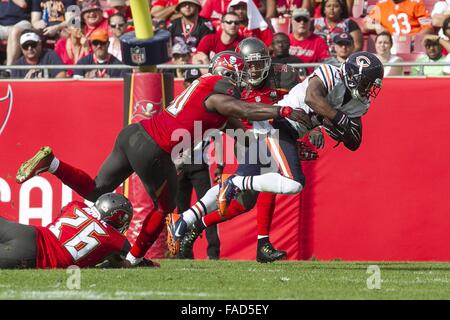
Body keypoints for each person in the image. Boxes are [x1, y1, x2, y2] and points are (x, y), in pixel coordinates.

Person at [15, 50, 311, 266]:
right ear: (228, 74)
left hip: (133, 133)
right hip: (156, 149)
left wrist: (287, 145)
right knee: (165, 206)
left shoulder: (209, 93)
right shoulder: (219, 89)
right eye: (237, 75)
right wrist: (281, 110)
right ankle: (133, 260)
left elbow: (246, 134)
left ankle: (52, 164)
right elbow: (244, 111)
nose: (242, 81)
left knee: (96, 189)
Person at [167, 51, 384, 261]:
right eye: (368, 83)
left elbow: (355, 141)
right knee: (294, 183)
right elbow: (312, 98)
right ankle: (236, 183)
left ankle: (184, 220)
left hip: (284, 131)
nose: (370, 90)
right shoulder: (330, 72)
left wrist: (344, 131)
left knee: (242, 200)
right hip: (278, 125)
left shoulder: (359, 102)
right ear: (354, 76)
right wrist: (339, 120)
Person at [0, 192, 142, 269]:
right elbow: (128, 262)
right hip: (34, 255)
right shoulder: (116, 241)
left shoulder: (76, 205)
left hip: (28, 232)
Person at [288, 8, 331, 72]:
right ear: (291, 21)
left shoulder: (319, 41)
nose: (302, 22)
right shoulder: (285, 40)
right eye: (298, 19)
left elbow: (326, 63)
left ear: (310, 22)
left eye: (305, 20)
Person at [363, 0, 433, 36]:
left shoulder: (416, 2)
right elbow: (365, 25)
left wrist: (416, 40)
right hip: (389, 43)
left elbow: (427, 27)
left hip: (412, 41)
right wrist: (377, 26)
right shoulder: (381, 4)